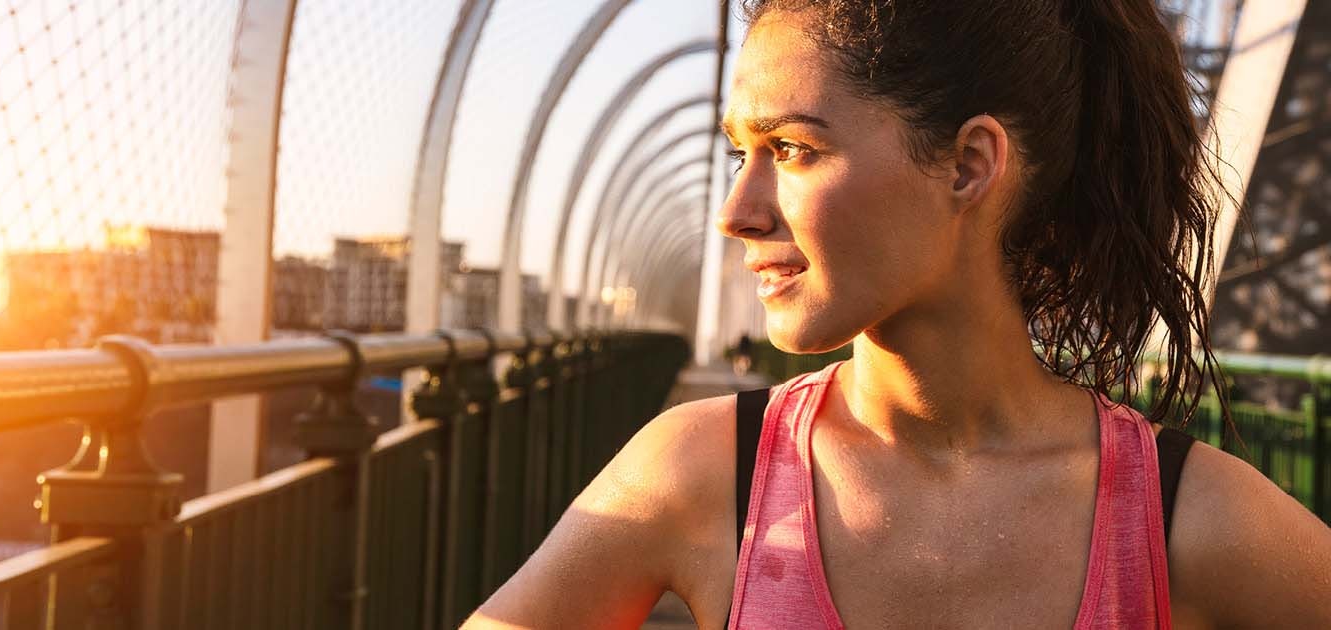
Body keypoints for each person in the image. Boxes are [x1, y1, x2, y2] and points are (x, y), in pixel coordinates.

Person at [464, 1, 1331, 628]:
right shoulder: (698, 472)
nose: (736, 212)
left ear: (968, 165)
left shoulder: (1190, 521)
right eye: (741, 153)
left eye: (791, 149)